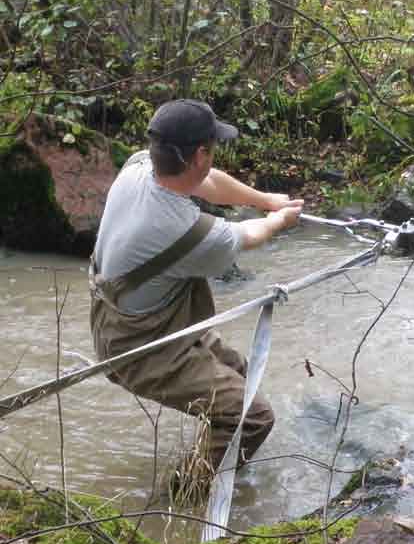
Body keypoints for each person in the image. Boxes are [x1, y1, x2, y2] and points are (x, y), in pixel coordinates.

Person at [89, 98, 303, 489]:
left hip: (142, 323)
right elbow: (252, 235)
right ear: (200, 154)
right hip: (140, 350)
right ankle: (183, 500)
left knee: (241, 373)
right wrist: (278, 220)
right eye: (211, 146)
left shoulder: (138, 169)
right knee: (255, 416)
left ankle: (221, 460)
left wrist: (265, 200)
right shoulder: (190, 233)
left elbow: (207, 182)